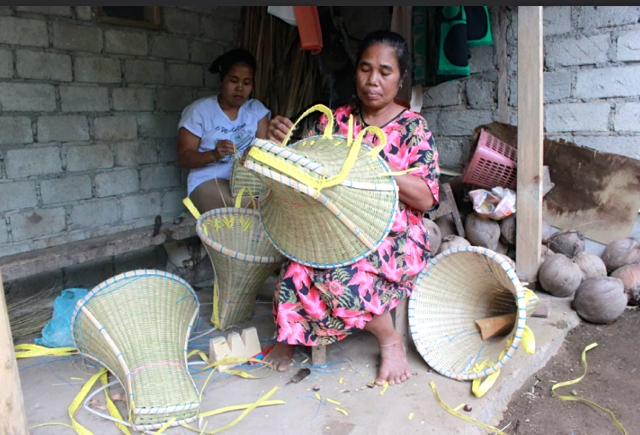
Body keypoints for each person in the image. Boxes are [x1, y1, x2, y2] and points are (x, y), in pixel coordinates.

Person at [263, 30, 440, 386]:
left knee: (335, 272)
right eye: (365, 68)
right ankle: (290, 334)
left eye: (385, 71)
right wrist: (280, 143)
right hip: (334, 224)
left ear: (401, 78)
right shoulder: (334, 121)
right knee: (298, 261)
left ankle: (388, 339)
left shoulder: (412, 128)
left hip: (395, 232)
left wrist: (375, 164)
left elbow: (424, 198)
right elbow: (301, 168)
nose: (373, 80)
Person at [177, 48, 270, 214]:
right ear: (222, 80)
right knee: (247, 205)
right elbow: (184, 157)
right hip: (208, 181)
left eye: (247, 83)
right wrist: (214, 154)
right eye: (234, 81)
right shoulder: (200, 111)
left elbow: (264, 150)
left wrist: (254, 154)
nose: (240, 88)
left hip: (246, 182)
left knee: (276, 201)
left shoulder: (256, 110)